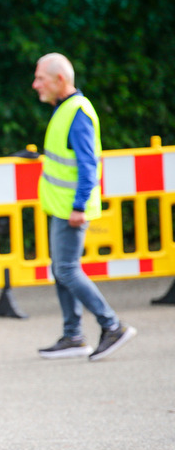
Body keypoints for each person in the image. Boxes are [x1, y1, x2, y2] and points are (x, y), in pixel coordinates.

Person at [32, 53, 136, 360]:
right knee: (61, 269)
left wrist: (78, 206)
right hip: (62, 206)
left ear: (60, 79)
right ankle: (73, 335)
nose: (36, 84)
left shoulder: (77, 112)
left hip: (71, 208)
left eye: (41, 78)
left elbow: (89, 164)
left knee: (66, 269)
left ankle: (111, 325)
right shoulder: (65, 109)